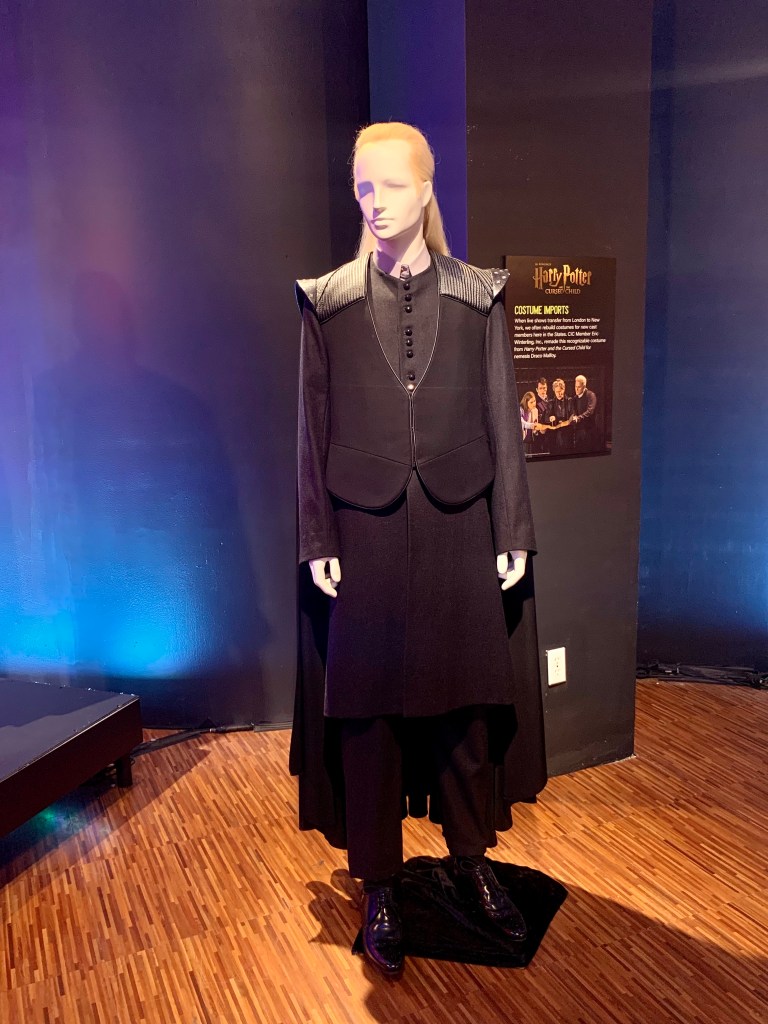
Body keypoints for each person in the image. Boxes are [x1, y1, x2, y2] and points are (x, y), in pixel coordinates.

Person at [291, 121, 546, 977]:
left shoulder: (479, 296)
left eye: (392, 185)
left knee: (465, 712)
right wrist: (316, 535)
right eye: (363, 187)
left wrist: (513, 528)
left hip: (459, 521)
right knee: (370, 721)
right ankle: (381, 885)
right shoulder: (326, 301)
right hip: (361, 529)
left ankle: (471, 864)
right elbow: (309, 429)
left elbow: (503, 417)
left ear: (427, 189)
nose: (375, 202)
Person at [572, 374, 598, 453]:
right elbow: (574, 411)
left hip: (588, 431)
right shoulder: (575, 398)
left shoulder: (590, 395)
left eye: (579, 387)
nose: (576, 389)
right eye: (575, 386)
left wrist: (579, 418)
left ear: (584, 386)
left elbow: (590, 411)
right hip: (578, 431)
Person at [549, 377, 575, 455]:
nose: (559, 394)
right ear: (554, 391)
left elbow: (573, 415)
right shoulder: (551, 402)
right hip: (556, 433)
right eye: (557, 392)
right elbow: (547, 417)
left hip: (567, 431)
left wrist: (566, 423)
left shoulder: (570, 401)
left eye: (561, 391)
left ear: (564, 389)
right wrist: (551, 418)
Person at [532, 377, 551, 455]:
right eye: (540, 388)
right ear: (537, 390)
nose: (543, 390)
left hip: (550, 433)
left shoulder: (551, 399)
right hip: (539, 434)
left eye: (544, 388)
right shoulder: (533, 402)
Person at [519, 390, 538, 456]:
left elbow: (535, 427)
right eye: (531, 402)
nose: (534, 403)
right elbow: (522, 423)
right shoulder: (521, 409)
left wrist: (537, 430)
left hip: (531, 441)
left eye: (534, 401)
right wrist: (533, 425)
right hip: (523, 440)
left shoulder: (535, 410)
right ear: (526, 402)